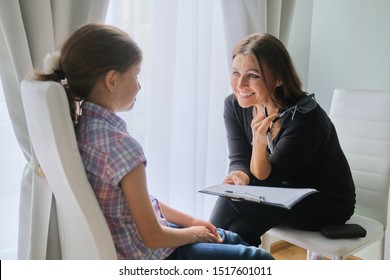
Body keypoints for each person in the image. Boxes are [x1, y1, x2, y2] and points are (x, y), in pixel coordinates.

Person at [31, 23, 274, 260]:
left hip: (139, 245)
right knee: (258, 258)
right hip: (152, 256)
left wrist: (190, 222)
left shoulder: (82, 130)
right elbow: (153, 237)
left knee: (228, 238)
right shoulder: (122, 147)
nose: (139, 85)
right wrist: (193, 233)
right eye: (136, 75)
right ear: (112, 81)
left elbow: (141, 203)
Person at [209, 33, 356, 248]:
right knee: (242, 229)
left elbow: (268, 181)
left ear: (279, 78)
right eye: (236, 73)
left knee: (231, 198)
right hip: (281, 194)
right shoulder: (233, 106)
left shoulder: (305, 118)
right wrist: (239, 175)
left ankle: (195, 253)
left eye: (252, 75)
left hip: (324, 202)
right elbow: (239, 158)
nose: (240, 84)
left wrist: (259, 145)